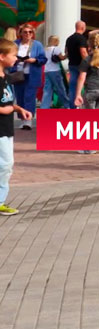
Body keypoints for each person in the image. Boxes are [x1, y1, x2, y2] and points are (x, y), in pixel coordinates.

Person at [0, 39, 35, 215]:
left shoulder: (6, 77)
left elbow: (7, 102)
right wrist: (4, 109)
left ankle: (0, 200)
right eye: (13, 55)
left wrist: (18, 108)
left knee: (6, 165)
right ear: (2, 56)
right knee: (6, 164)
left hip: (6, 129)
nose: (16, 58)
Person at [10, 25, 45, 130]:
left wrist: (34, 60)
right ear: (20, 33)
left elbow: (43, 59)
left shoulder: (37, 45)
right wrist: (15, 60)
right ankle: (22, 119)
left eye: (30, 32)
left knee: (29, 97)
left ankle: (28, 120)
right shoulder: (16, 44)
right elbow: (9, 56)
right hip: (18, 74)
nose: (28, 34)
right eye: (25, 32)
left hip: (32, 74)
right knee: (20, 97)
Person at [38, 35, 67, 123]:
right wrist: (67, 54)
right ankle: (67, 104)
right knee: (60, 88)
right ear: (56, 41)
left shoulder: (45, 49)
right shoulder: (56, 49)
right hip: (55, 71)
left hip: (47, 71)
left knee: (47, 90)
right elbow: (62, 58)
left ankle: (44, 107)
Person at [63, 21, 89, 109]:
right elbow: (83, 52)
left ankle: (72, 107)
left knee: (72, 86)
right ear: (83, 28)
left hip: (71, 64)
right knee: (84, 85)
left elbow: (65, 51)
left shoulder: (69, 38)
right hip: (81, 65)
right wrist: (88, 62)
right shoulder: (81, 39)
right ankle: (81, 105)